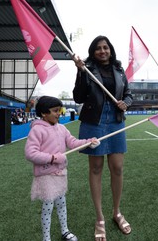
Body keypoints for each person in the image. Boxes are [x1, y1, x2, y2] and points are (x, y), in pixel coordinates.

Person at [72, 35, 133, 241]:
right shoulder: (87, 68)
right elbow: (78, 97)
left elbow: (128, 93)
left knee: (117, 168)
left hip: (115, 119)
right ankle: (100, 219)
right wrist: (80, 72)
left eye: (105, 47)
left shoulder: (119, 69)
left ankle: (116, 212)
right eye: (98, 48)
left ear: (110, 49)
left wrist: (126, 102)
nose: (102, 51)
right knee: (96, 168)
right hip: (93, 121)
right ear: (93, 51)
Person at [24, 96, 100, 241]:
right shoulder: (37, 130)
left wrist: (88, 142)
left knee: (61, 204)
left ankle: (65, 231)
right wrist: (52, 158)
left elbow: (72, 142)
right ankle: (46, 238)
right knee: (48, 207)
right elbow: (30, 153)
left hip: (60, 173)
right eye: (55, 111)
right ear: (44, 113)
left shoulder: (61, 128)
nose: (59, 113)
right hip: (46, 175)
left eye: (60, 110)